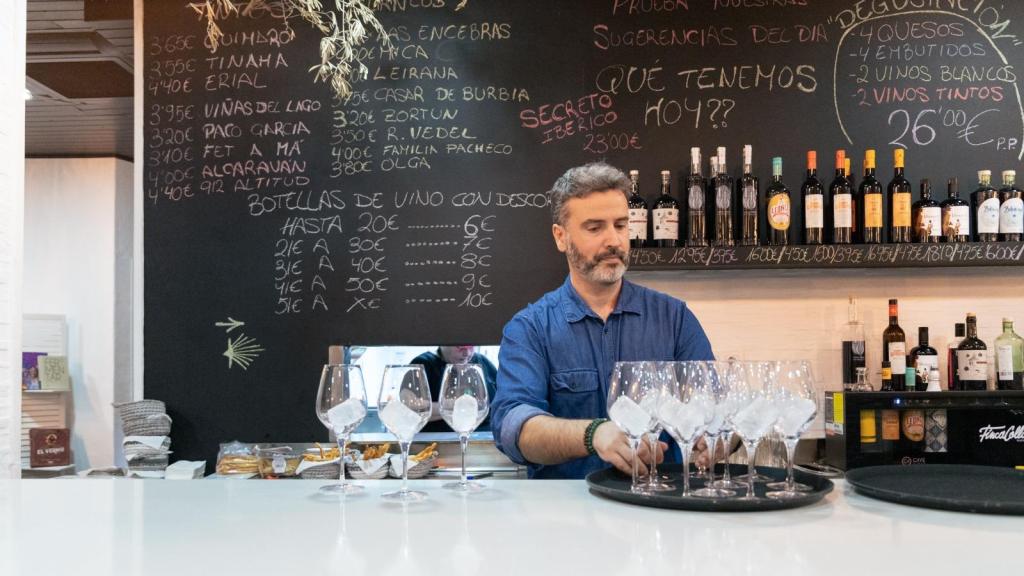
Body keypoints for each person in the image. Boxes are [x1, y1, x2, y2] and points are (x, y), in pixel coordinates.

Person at [490, 162, 715, 479]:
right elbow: (512, 427)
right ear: (560, 236)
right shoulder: (530, 329)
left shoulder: (675, 319)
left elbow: (715, 409)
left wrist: (721, 437)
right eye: (595, 228)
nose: (614, 240)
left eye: (621, 226)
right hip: (566, 517)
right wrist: (593, 435)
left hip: (663, 514)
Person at [410, 346, 498, 432]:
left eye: (470, 346)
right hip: (440, 439)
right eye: (460, 347)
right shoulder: (423, 363)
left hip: (484, 436)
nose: (467, 353)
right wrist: (459, 405)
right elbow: (410, 409)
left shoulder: (481, 361)